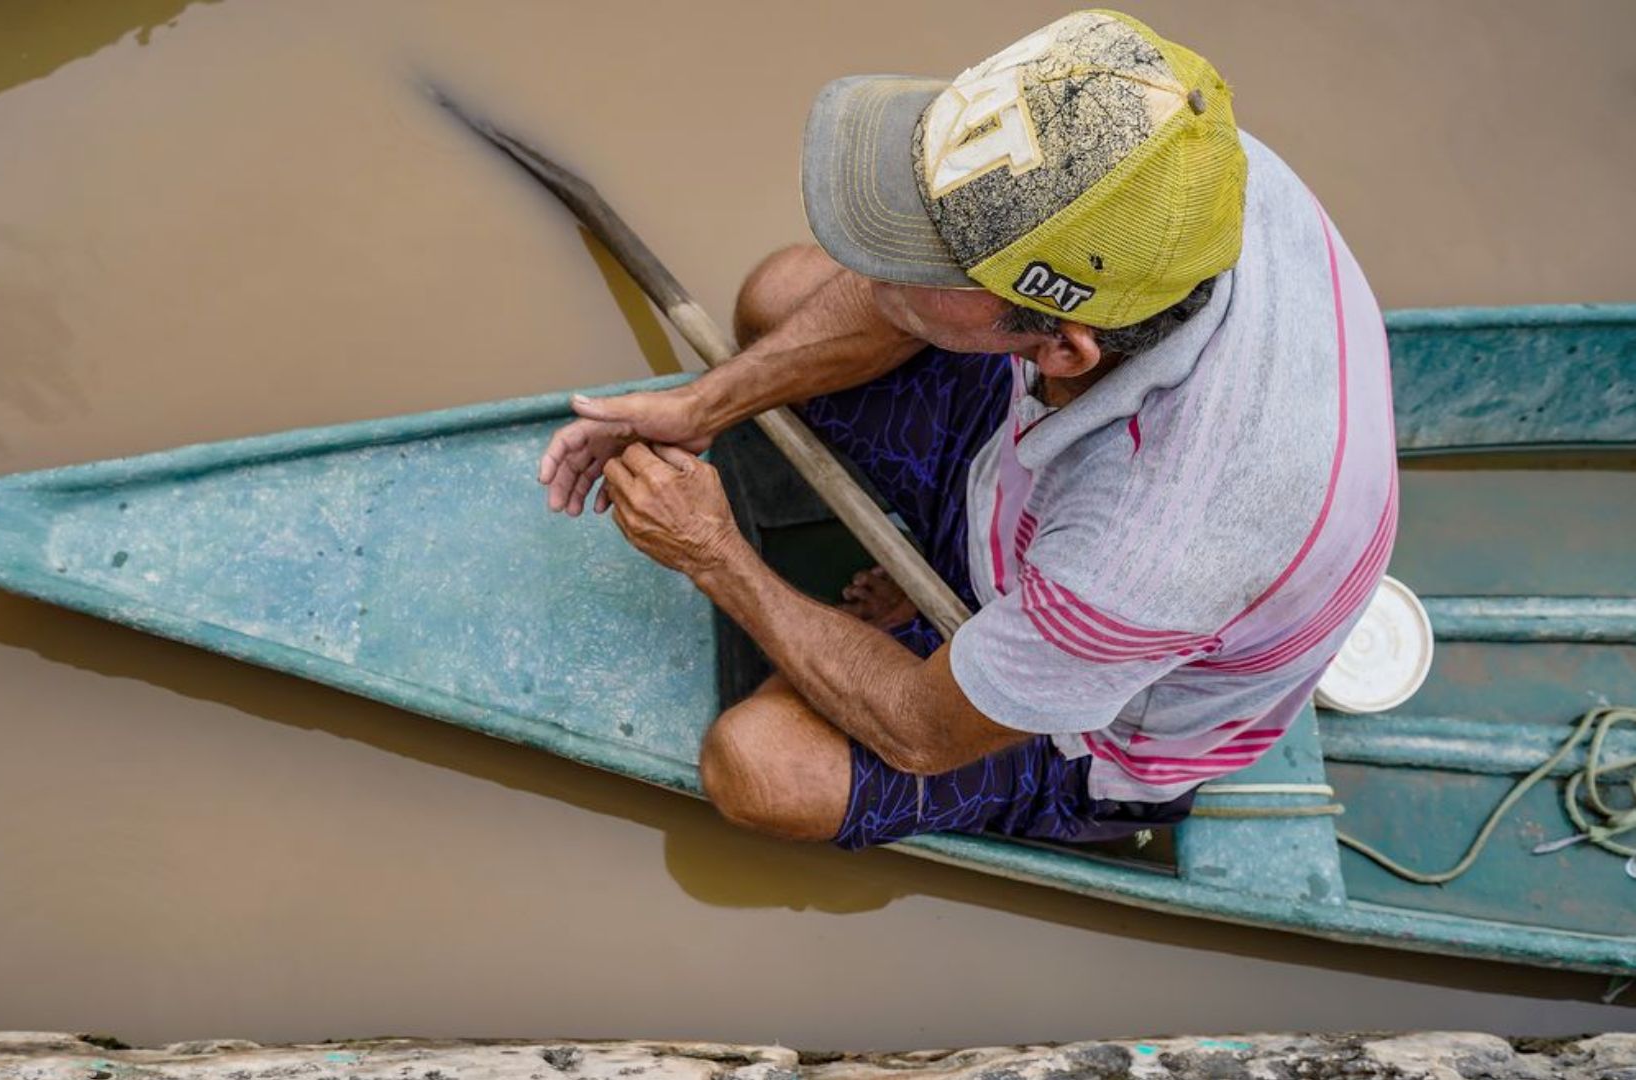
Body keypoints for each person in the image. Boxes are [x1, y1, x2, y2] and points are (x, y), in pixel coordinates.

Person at [536, 9, 1397, 850]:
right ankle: (967, 567)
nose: (880, 270)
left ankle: (1000, 648)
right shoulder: (1173, 170)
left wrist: (713, 554)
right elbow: (890, 292)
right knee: (777, 296)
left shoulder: (1147, 558)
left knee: (760, 767)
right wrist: (706, 407)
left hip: (1088, 725)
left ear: (1062, 348)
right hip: (1035, 489)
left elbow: (922, 733)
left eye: (928, 264)